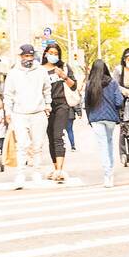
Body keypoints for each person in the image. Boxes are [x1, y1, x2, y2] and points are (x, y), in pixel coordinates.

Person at [2, 42, 52, 189]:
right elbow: (8, 94)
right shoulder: (13, 73)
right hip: (19, 114)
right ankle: (20, 175)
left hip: (38, 113)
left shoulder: (41, 71)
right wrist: (8, 111)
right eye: (25, 56)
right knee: (22, 146)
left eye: (30, 56)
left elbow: (47, 89)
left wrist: (48, 105)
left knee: (37, 146)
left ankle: (36, 173)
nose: (28, 58)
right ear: (20, 56)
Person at [40, 40, 78, 182]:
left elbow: (74, 86)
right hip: (46, 107)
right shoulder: (39, 70)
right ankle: (56, 169)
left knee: (58, 136)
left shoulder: (64, 67)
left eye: (56, 53)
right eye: (51, 53)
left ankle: (60, 170)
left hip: (62, 104)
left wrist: (64, 76)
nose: (53, 55)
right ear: (45, 54)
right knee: (50, 137)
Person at [84, 57, 124, 188]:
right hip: (111, 118)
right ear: (105, 68)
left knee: (103, 145)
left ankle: (108, 175)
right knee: (109, 142)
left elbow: (86, 103)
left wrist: (89, 118)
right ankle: (110, 169)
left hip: (96, 118)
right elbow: (119, 101)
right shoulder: (112, 83)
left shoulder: (89, 84)